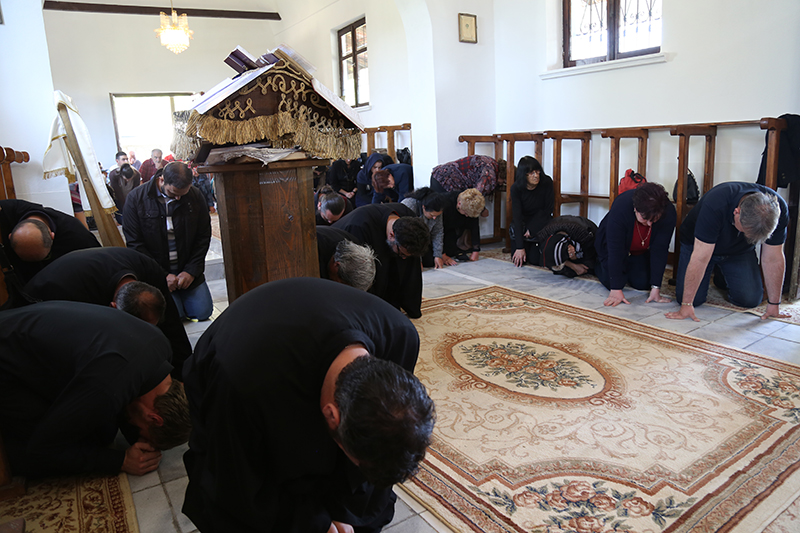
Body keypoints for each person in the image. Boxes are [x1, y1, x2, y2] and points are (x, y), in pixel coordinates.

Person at [182, 278, 435, 533]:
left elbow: (376, 454)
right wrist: (316, 524)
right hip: (238, 376)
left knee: (369, 509)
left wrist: (343, 515)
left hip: (294, 357)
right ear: (331, 415)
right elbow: (238, 483)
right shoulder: (243, 385)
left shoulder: (400, 337)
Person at [0, 301, 191, 477]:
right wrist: (120, 461)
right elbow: (41, 449)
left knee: (101, 431)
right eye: (140, 430)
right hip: (7, 357)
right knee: (32, 455)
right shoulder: (107, 388)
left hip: (21, 323)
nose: (133, 427)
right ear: (155, 418)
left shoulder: (161, 345)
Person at [23, 247, 193, 379]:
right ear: (113, 307)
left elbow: (173, 328)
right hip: (36, 312)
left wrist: (184, 376)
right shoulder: (74, 297)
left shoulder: (150, 272)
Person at [666, 181, 789, 322]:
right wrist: (687, 305)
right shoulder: (716, 203)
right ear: (736, 212)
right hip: (698, 246)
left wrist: (774, 304)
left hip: (738, 251)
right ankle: (719, 270)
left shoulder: (777, 210)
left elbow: (773, 258)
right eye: (745, 232)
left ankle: (722, 275)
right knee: (693, 299)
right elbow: (700, 258)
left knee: (750, 299)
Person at [123, 161, 214, 321]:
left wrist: (191, 271)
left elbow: (203, 236)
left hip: (186, 268)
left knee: (203, 312)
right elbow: (135, 244)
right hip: (157, 271)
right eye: (174, 193)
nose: (178, 198)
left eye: (183, 194)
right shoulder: (136, 198)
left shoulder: (195, 195)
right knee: (174, 315)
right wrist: (162, 276)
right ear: (162, 180)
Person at [333, 203, 430, 318]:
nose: (404, 258)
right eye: (402, 254)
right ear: (392, 235)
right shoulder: (360, 226)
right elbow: (358, 274)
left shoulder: (409, 218)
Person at [595, 182, 677, 307]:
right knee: (612, 281)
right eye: (645, 218)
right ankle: (596, 262)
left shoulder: (668, 212)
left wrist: (656, 288)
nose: (649, 224)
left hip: (638, 251)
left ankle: (627, 268)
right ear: (635, 209)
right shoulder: (621, 206)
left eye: (654, 220)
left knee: (643, 283)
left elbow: (660, 249)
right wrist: (616, 289)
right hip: (610, 247)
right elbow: (615, 250)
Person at [0, 198, 101, 283]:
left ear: (52, 236)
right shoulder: (7, 211)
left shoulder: (79, 238)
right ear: (10, 236)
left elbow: (99, 270)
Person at [510, 156, 555, 267]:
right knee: (518, 258)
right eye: (531, 173)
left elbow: (548, 209)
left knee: (535, 259)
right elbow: (517, 216)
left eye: (537, 171)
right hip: (523, 222)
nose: (536, 176)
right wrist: (520, 247)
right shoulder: (516, 188)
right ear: (523, 174)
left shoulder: (546, 182)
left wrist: (531, 229)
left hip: (541, 220)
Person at [316, 225, 377, 290]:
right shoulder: (315, 252)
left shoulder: (354, 246)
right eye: (343, 284)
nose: (342, 289)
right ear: (336, 266)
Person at [402, 187, 446, 268]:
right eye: (432, 215)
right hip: (407, 241)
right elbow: (408, 235)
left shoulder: (437, 208)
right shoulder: (410, 206)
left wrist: (438, 255)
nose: (435, 218)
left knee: (430, 262)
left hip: (423, 240)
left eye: (437, 216)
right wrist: (417, 260)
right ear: (424, 207)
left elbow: (438, 232)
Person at [441, 188, 485, 263]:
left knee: (452, 252)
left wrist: (476, 250)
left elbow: (475, 227)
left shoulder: (471, 204)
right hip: (442, 229)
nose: (467, 216)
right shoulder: (445, 202)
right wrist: (442, 254)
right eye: (465, 213)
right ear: (459, 204)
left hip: (454, 230)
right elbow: (438, 231)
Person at [430, 154, 506, 197]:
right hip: (445, 183)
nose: (501, 183)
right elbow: (475, 195)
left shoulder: (491, 162)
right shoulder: (490, 175)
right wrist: (482, 210)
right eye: (504, 181)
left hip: (439, 174)